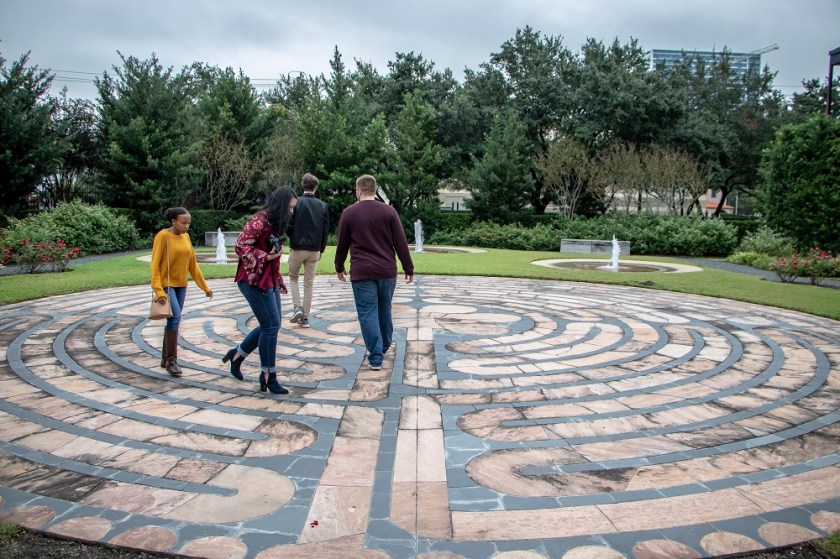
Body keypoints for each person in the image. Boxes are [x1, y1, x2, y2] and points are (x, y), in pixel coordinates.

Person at [334, 174, 414, 370]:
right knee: (384, 309)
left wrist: (339, 266)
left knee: (367, 313)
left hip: (362, 271)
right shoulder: (389, 211)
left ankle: (376, 355)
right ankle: (384, 345)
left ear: (359, 190)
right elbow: (400, 242)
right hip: (386, 271)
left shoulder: (349, 213)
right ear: (374, 190)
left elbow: (342, 243)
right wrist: (408, 267)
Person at [223, 186, 298, 395]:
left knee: (272, 325)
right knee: (270, 327)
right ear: (281, 205)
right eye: (290, 208)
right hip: (253, 280)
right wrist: (267, 256)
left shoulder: (275, 223)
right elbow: (240, 245)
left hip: (269, 279)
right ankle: (268, 376)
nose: (291, 212)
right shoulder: (260, 220)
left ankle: (237, 356)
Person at [151, 207, 213, 377]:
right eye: (183, 223)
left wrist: (204, 287)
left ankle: (165, 358)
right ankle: (172, 362)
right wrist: (159, 290)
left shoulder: (186, 237)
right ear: (174, 221)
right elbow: (155, 265)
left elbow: (193, 264)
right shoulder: (163, 236)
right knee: (175, 317)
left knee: (173, 319)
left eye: (188, 223)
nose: (186, 226)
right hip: (167, 284)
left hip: (181, 285)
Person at [287, 173, 330, 328]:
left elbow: (288, 224)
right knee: (309, 283)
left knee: (293, 278)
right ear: (315, 187)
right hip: (314, 250)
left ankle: (297, 307)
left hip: (297, 248)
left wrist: (292, 237)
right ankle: (305, 317)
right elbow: (325, 230)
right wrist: (321, 249)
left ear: (302, 185)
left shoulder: (296, 203)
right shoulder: (323, 206)